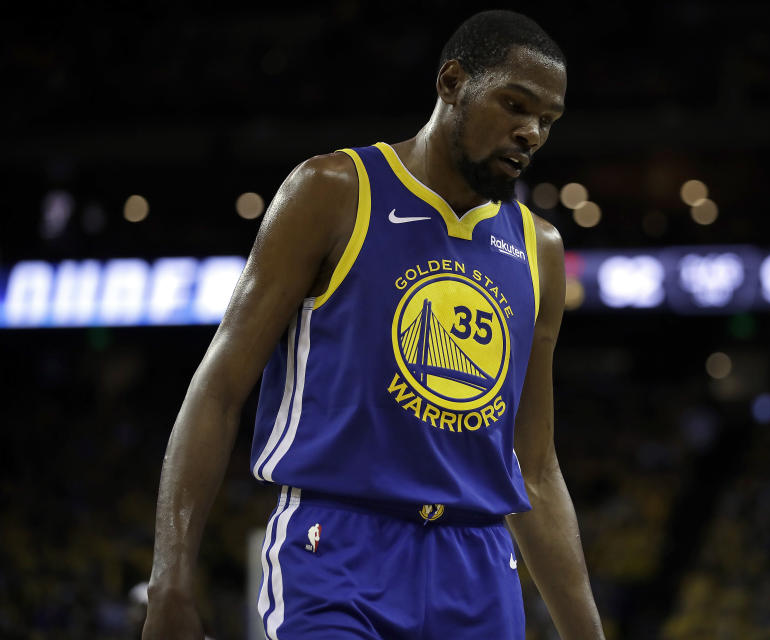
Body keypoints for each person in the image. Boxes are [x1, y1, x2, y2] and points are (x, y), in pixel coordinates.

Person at [142, 9, 604, 640]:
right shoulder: (333, 191)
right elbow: (219, 390)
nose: (530, 133)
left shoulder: (539, 249)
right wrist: (169, 580)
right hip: (337, 550)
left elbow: (535, 466)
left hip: (480, 565)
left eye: (546, 122)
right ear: (451, 82)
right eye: (514, 105)